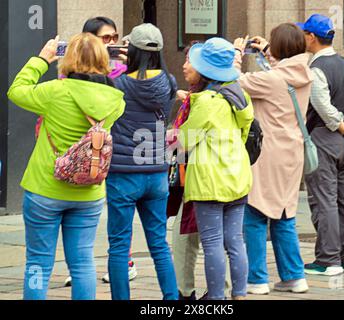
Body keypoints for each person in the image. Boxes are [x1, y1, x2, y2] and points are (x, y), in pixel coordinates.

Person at [7, 33, 125, 300]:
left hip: (45, 189)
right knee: (83, 262)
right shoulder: (116, 100)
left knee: (38, 261)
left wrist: (41, 59)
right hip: (89, 192)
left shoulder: (55, 92)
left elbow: (16, 90)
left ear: (67, 57)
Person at [234, 23, 312, 295]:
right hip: (292, 152)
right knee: (283, 213)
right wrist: (268, 51)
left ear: (280, 48)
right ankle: (294, 275)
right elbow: (280, 70)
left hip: (268, 153)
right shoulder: (304, 72)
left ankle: (257, 279)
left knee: (254, 212)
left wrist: (235, 53)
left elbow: (234, 81)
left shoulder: (272, 80)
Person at [59, 16, 136, 287]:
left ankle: (125, 263)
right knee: (83, 217)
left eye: (115, 38)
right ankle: (79, 266)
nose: (112, 44)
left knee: (117, 211)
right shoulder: (69, 75)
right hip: (80, 152)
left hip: (114, 149)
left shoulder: (123, 72)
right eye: (106, 39)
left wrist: (132, 66)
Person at [177, 37, 254, 300]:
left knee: (212, 243)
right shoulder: (239, 95)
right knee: (235, 241)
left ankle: (217, 298)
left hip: (210, 181)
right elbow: (244, 132)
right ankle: (240, 294)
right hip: (238, 176)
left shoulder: (207, 101)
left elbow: (184, 141)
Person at [106, 23, 178, 300]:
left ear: (131, 50)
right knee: (159, 244)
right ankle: (171, 299)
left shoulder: (119, 83)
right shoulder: (169, 82)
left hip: (123, 174)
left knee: (119, 247)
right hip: (157, 173)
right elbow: (149, 83)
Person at [297, 14, 344, 276]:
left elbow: (323, 109)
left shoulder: (316, 69)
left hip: (323, 138)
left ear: (312, 37)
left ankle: (328, 259)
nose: (303, 37)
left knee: (324, 199)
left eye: (305, 33)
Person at [169, 42, 232, 300]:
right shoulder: (216, 94)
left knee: (199, 237)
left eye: (189, 62)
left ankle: (204, 293)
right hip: (211, 176)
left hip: (204, 178)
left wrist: (169, 139)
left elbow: (185, 140)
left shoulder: (205, 99)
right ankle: (216, 291)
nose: (184, 66)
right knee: (204, 237)